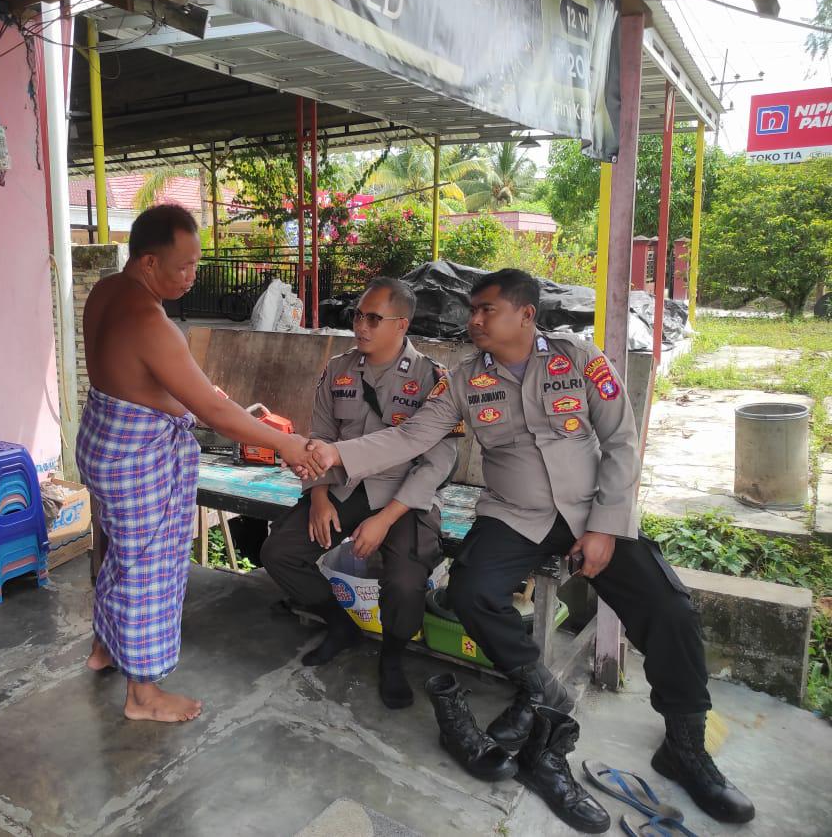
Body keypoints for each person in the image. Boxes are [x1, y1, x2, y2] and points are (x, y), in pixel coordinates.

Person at [298, 269, 754, 824]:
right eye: (473, 310)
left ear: (526, 314)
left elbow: (620, 441)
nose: (474, 320)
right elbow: (413, 436)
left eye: (486, 310)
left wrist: (606, 526)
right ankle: (540, 689)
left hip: (591, 510)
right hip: (514, 516)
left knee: (670, 608)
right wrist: (336, 455)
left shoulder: (580, 360)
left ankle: (684, 746)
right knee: (470, 593)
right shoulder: (463, 379)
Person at [77, 204, 317, 724]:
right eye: (183, 266)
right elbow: (214, 413)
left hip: (103, 444)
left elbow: (137, 378)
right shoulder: (150, 320)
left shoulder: (105, 292)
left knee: (114, 550)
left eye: (196, 264)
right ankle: (142, 695)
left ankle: (103, 646)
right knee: (147, 570)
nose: (192, 276)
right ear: (146, 262)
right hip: (138, 459)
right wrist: (289, 444)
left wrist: (193, 394)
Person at [261, 278, 457, 709]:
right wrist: (317, 496)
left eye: (373, 318)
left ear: (401, 325)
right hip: (343, 486)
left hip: (406, 494)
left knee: (406, 581)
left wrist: (386, 519)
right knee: (280, 552)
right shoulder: (339, 369)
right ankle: (340, 625)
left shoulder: (432, 379)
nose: (361, 326)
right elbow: (321, 437)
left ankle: (392, 656)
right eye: (357, 316)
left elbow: (439, 462)